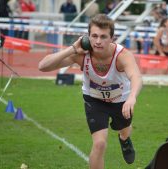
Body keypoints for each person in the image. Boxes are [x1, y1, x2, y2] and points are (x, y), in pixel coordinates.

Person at [38, 14, 142, 168]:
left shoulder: (122, 56)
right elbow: (43, 66)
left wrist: (132, 97)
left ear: (112, 38)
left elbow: (136, 76)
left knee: (124, 130)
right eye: (94, 36)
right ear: (87, 37)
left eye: (103, 37)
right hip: (94, 100)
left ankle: (124, 140)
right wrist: (72, 49)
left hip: (121, 100)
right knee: (99, 144)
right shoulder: (81, 55)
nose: (98, 41)